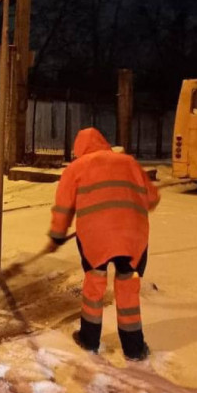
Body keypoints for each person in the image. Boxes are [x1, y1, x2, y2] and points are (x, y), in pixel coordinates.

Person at [45, 127, 160, 361]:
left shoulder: (76, 168)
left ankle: (89, 339)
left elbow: (64, 207)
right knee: (128, 287)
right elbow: (152, 198)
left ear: (79, 149)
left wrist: (57, 235)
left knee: (95, 283)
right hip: (133, 237)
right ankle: (134, 348)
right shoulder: (128, 162)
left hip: (95, 237)